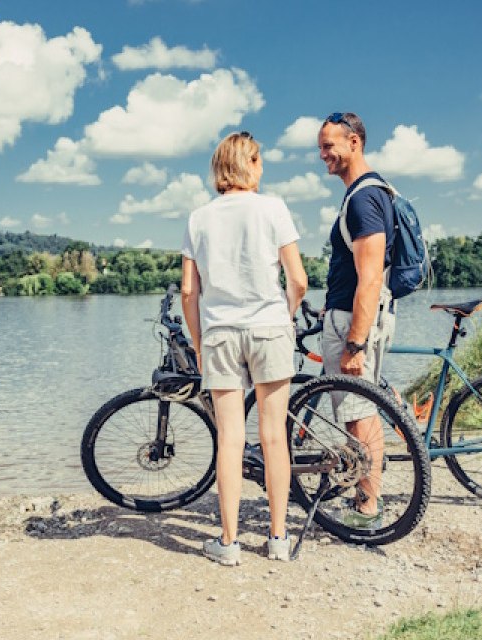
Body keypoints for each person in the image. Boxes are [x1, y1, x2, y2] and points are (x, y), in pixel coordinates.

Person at [180, 131, 308, 566]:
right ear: (249, 163)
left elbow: (187, 293)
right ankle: (277, 539)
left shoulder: (199, 218)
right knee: (274, 438)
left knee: (230, 439)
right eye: (260, 161)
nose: (263, 169)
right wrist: (284, 319)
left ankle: (230, 544)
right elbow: (299, 280)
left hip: (220, 333)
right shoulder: (273, 208)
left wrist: (199, 343)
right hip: (269, 328)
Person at [316, 112, 396, 527]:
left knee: (358, 413)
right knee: (365, 410)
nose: (324, 155)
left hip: (354, 319)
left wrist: (354, 343)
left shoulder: (363, 198)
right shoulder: (369, 193)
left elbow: (369, 278)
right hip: (350, 314)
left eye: (330, 145)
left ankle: (367, 507)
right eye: (321, 147)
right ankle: (369, 496)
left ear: (355, 142)